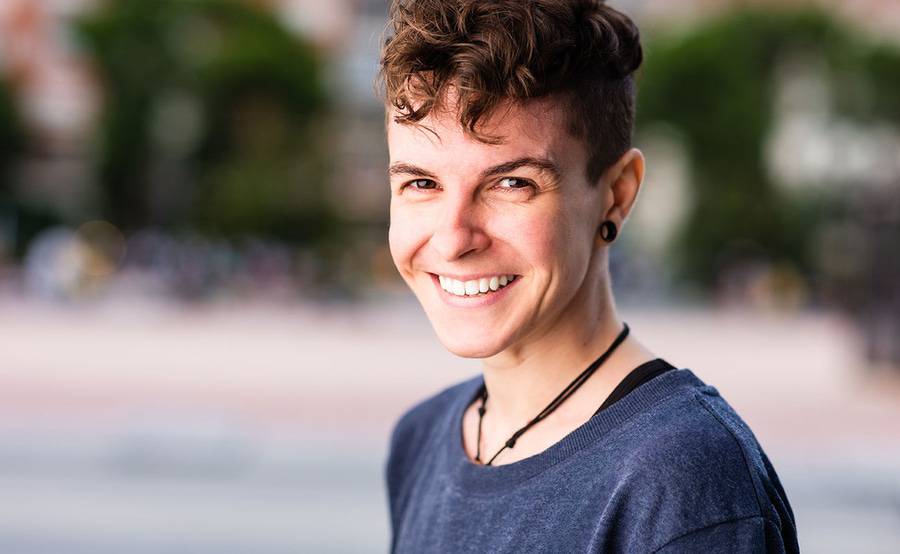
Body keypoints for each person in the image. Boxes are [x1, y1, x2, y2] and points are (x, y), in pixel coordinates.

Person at [378, 0, 799, 552]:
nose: (455, 238)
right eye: (421, 183)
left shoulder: (681, 484)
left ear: (617, 194)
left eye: (512, 184)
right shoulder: (422, 439)